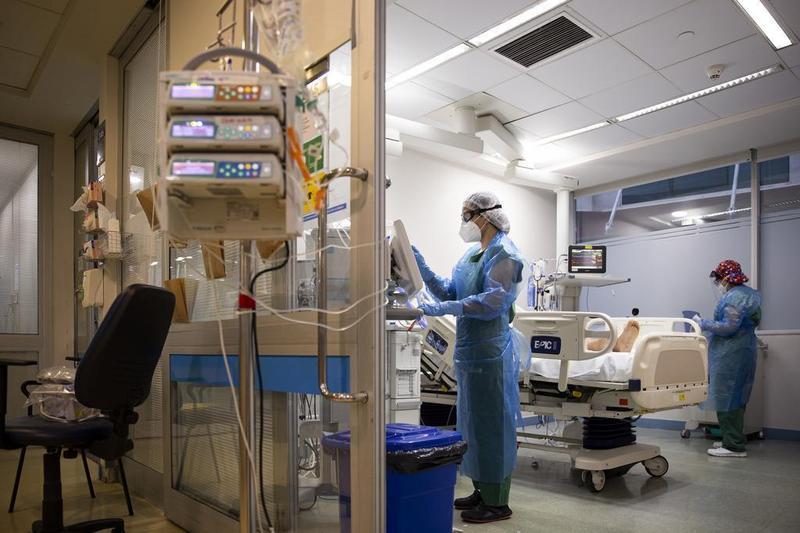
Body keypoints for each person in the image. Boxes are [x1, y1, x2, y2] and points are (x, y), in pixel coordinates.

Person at [413, 192, 524, 524]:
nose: (463, 222)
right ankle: (481, 489)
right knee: (472, 426)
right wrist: (420, 266)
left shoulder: (505, 253)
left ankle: (498, 502)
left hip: (491, 354)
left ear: (485, 216)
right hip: (470, 353)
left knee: (493, 428)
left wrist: (441, 309)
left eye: (466, 215)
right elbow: (451, 291)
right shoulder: (471, 256)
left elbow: (493, 302)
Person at [695, 260, 762, 458]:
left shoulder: (734, 297)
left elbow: (729, 326)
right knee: (736, 398)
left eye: (719, 279)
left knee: (727, 397)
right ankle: (731, 439)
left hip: (730, 354)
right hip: (743, 351)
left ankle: (733, 446)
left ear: (726, 278)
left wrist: (703, 323)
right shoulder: (749, 294)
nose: (718, 284)